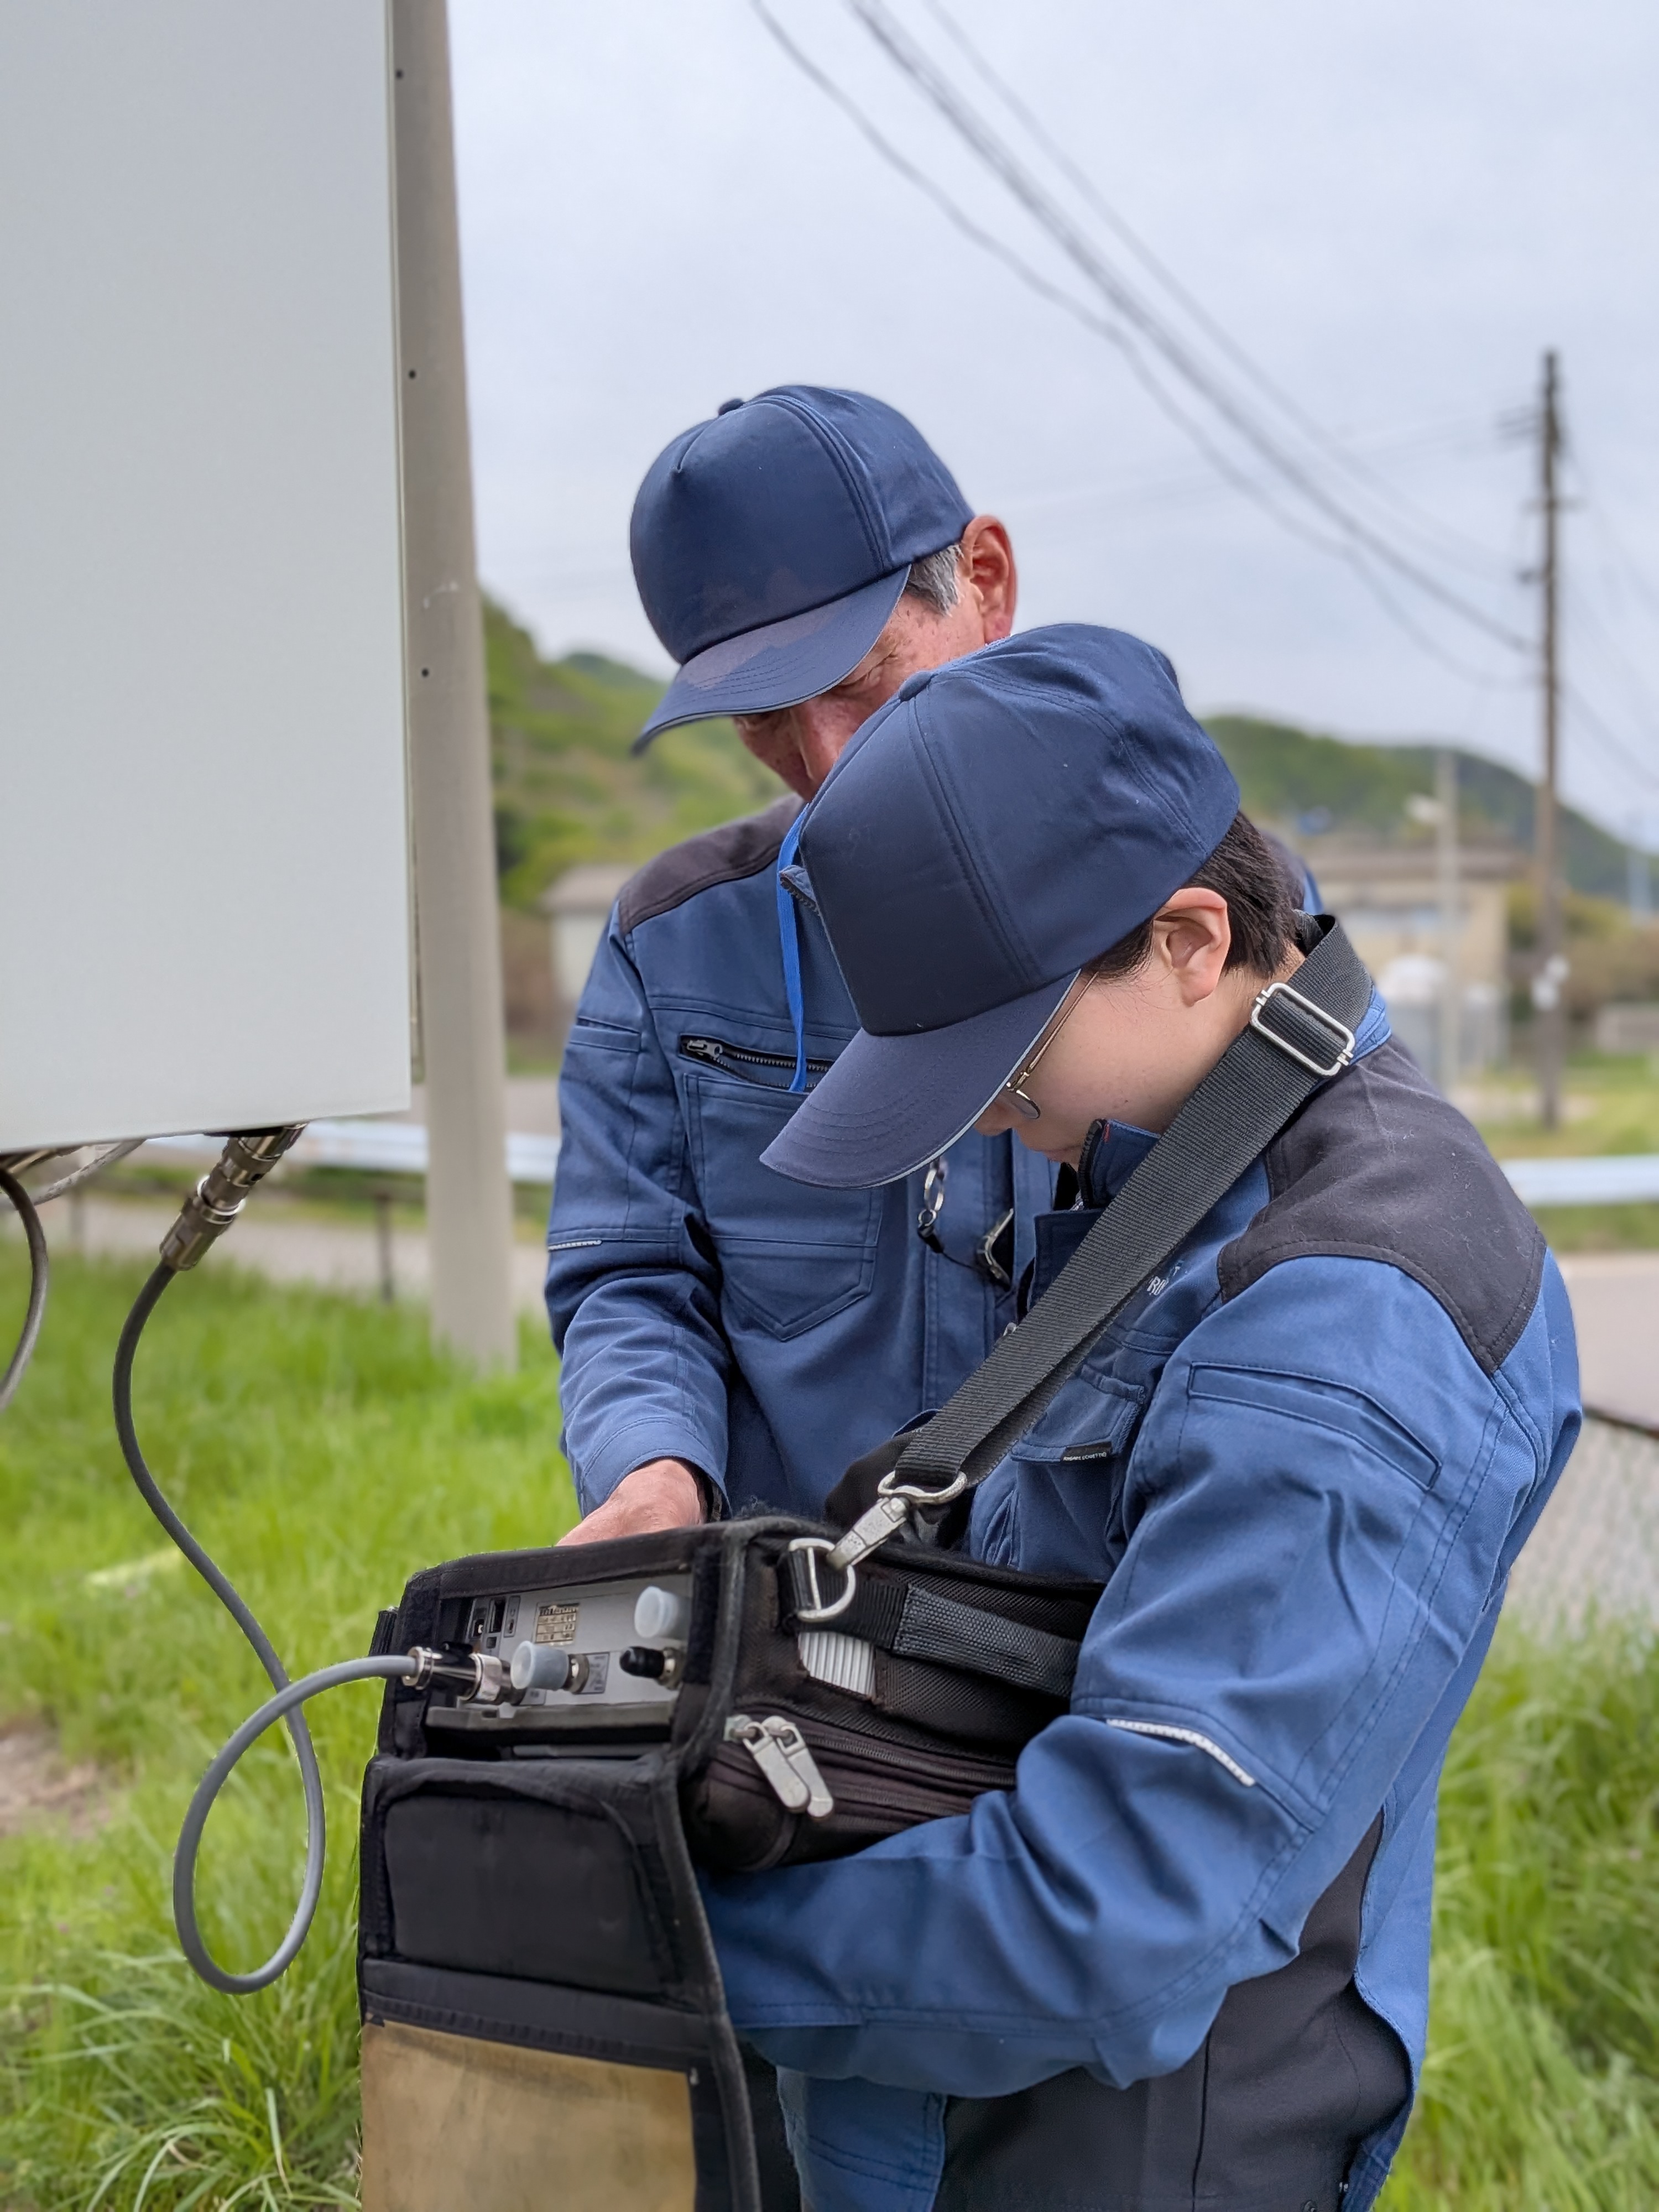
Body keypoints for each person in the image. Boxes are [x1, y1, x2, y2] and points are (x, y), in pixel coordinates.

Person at [699, 624, 1580, 2212]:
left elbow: (1117, 1923)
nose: (983, 1114)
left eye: (1005, 1055)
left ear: (1189, 939)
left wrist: (661, 1938)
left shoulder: (1349, 1321)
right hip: (958, 2097)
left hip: (1116, 2151)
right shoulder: (1183, 1155)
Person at [547, 387, 1040, 1545]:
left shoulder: (1200, 917)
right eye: (761, 716)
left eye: (862, 681)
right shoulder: (669, 942)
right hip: (799, 1607)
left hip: (1118, 1613)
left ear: (985, 582)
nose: (824, 761)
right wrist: (654, 1471)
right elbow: (631, 1276)